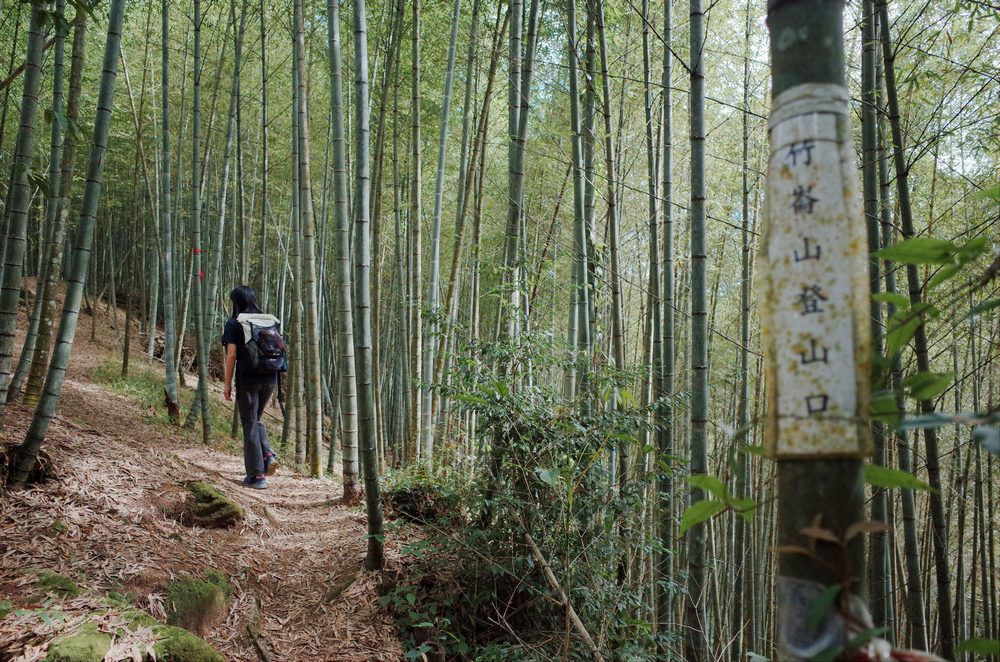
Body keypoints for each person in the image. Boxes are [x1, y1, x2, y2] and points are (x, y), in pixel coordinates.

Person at [221, 285, 280, 489]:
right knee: (256, 420)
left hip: (248, 380)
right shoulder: (269, 322)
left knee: (250, 425)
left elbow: (231, 356)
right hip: (271, 378)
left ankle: (257, 476)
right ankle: (267, 455)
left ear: (236, 302)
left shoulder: (234, 324)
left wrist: (227, 383)